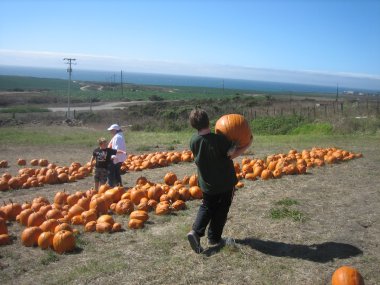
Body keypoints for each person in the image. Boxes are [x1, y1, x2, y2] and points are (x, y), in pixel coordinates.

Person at [187, 108, 252, 254]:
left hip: (207, 184)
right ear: (209, 122)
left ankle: (195, 232)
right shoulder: (219, 140)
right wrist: (247, 144)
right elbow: (231, 154)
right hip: (224, 184)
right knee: (221, 210)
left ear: (193, 125)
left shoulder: (193, 141)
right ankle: (214, 238)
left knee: (207, 207)